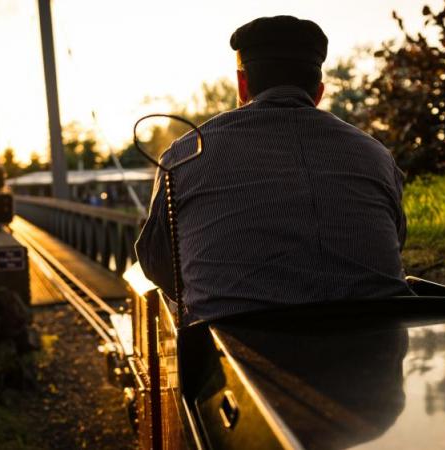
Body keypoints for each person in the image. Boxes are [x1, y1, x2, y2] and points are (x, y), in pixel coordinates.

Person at [135, 15, 412, 323]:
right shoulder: (375, 155)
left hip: (234, 354)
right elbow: (395, 242)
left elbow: (158, 264)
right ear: (318, 93)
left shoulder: (185, 155)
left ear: (242, 83)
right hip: (377, 347)